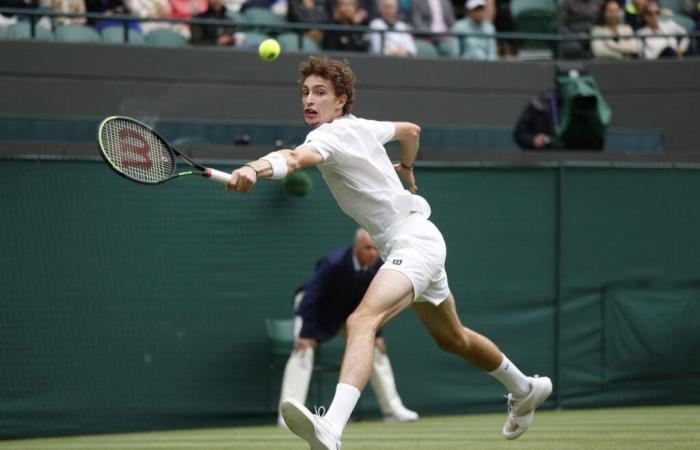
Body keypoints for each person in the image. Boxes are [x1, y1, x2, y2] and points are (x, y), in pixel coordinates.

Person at [226, 55, 552, 449]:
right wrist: (408, 166)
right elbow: (411, 130)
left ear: (342, 99)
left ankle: (332, 428)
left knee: (362, 320)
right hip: (419, 239)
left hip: (412, 241)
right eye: (305, 93)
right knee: (453, 339)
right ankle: (525, 388)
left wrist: (254, 168)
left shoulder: (325, 138)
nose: (309, 100)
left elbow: (294, 158)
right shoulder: (363, 127)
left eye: (320, 93)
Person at [277, 228, 419, 427]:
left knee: (374, 350)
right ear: (356, 248)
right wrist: (306, 334)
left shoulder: (379, 267)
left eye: (376, 248)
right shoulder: (333, 263)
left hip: (350, 315)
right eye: (368, 248)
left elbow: (376, 303)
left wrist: (376, 333)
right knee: (303, 351)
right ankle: (288, 416)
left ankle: (392, 410)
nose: (373, 253)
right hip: (316, 311)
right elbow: (310, 298)